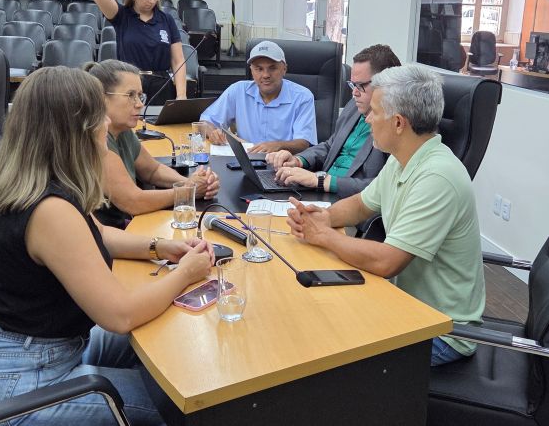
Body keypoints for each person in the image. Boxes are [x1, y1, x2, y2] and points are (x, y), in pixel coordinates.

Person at [0, 66, 215, 425]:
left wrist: (159, 246)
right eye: (98, 116)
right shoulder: (51, 210)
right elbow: (120, 315)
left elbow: (100, 236)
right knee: (177, 408)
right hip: (17, 379)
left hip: (39, 350)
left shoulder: (47, 183)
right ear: (75, 129)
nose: (105, 125)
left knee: (165, 333)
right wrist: (185, 273)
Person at [284, 65, 484, 367]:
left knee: (324, 341)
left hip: (441, 331)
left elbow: (387, 261)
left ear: (399, 122)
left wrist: (322, 235)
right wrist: (324, 217)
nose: (366, 119)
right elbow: (362, 205)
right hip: (406, 305)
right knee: (316, 314)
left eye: (374, 112)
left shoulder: (437, 177)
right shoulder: (404, 159)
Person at [83, 59, 220, 227]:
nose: (140, 104)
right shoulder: (94, 140)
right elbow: (132, 201)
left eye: (140, 96)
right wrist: (186, 192)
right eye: (130, 95)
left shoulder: (123, 130)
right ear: (101, 98)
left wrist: (189, 182)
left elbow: (152, 171)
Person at [265, 44, 401, 197]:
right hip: (320, 192)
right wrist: (299, 160)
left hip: (349, 202)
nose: (354, 93)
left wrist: (323, 181)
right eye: (352, 85)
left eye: (361, 86)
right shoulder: (354, 106)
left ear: (386, 85)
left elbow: (385, 188)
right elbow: (331, 146)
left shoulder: (397, 126)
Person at [199, 40, 317, 153]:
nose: (265, 75)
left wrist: (278, 145)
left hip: (285, 165)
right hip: (246, 161)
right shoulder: (238, 90)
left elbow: (304, 143)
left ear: (284, 69)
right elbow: (205, 122)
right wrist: (213, 132)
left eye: (272, 68)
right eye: (259, 69)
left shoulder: (303, 97)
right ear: (251, 71)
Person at [94, 0, 188, 104]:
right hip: (130, 86)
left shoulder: (166, 20)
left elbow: (178, 61)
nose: (152, 0)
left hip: (161, 86)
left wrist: (181, 96)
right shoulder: (122, 15)